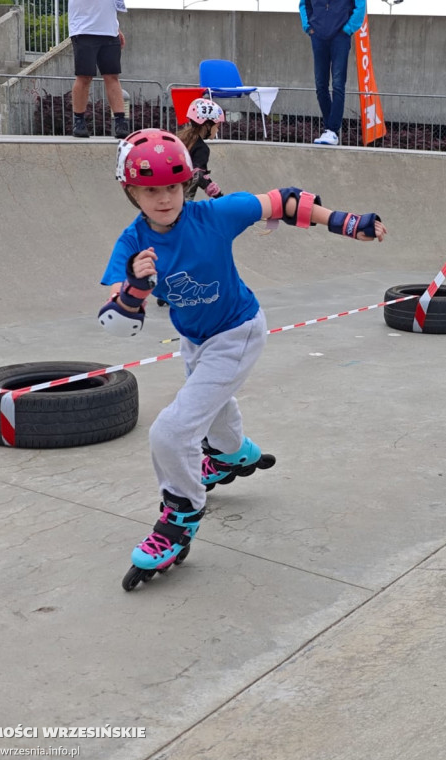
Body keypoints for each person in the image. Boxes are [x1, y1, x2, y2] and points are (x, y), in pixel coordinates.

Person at [99, 128, 386, 591]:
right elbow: (116, 319)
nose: (165, 198)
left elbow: (285, 201)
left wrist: (345, 222)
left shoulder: (212, 216)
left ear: (186, 184)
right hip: (195, 339)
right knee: (213, 410)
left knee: (171, 431)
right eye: (151, 190)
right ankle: (233, 455)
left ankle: (181, 513)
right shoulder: (131, 244)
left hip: (237, 332)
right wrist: (133, 287)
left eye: (173, 186)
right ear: (131, 191)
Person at [299, 0, 366, 146]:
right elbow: (304, 4)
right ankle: (330, 130)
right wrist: (308, 27)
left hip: (340, 36)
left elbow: (360, 7)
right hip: (318, 35)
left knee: (338, 84)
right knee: (320, 85)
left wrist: (348, 29)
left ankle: (332, 130)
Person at [67, 0, 130, 139]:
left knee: (112, 76)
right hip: (84, 29)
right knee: (84, 76)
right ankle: (79, 121)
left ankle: (121, 122)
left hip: (109, 31)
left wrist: (116, 28)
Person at [177, 98, 226, 201]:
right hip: (182, 200)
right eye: (217, 126)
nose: (217, 130)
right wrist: (219, 196)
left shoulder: (182, 139)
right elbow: (198, 175)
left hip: (168, 191)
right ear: (207, 126)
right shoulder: (201, 148)